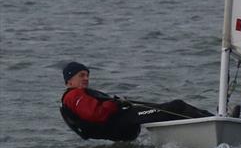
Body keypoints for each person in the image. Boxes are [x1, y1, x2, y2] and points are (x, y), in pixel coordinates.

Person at [60, 61, 212, 142]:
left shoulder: (79, 94)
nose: (86, 78)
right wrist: (114, 104)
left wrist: (117, 103)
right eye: (81, 75)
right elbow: (95, 114)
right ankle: (210, 123)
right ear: (69, 80)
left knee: (173, 108)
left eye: (87, 75)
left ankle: (210, 119)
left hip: (121, 121)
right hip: (119, 122)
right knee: (175, 106)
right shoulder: (74, 95)